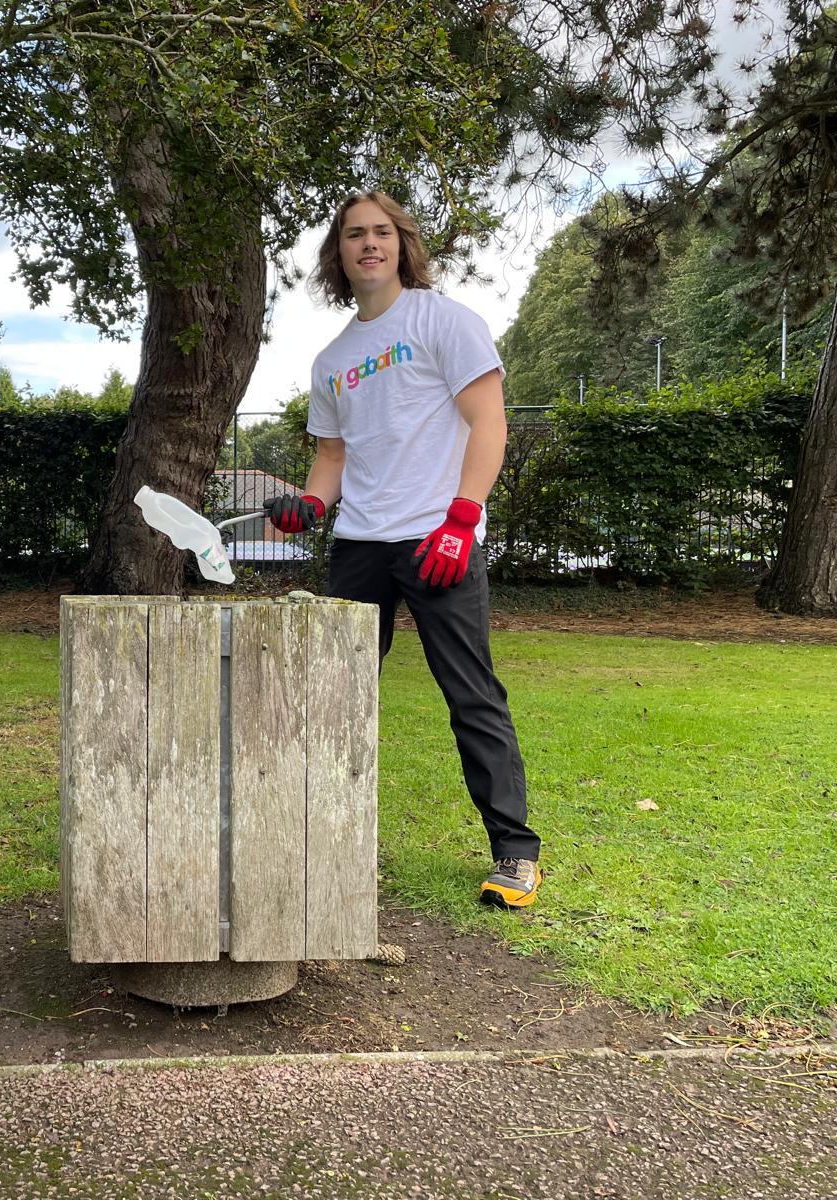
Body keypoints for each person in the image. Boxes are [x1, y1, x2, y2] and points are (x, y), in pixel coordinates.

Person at [264, 190, 542, 909]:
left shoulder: (445, 321)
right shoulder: (332, 359)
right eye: (354, 234)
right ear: (339, 253)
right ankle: (313, 841)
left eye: (381, 232)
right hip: (361, 544)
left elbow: (489, 424)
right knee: (335, 697)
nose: (369, 244)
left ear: (402, 244)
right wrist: (310, 505)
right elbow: (333, 457)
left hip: (438, 537)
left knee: (470, 692)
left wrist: (461, 519)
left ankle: (515, 853)